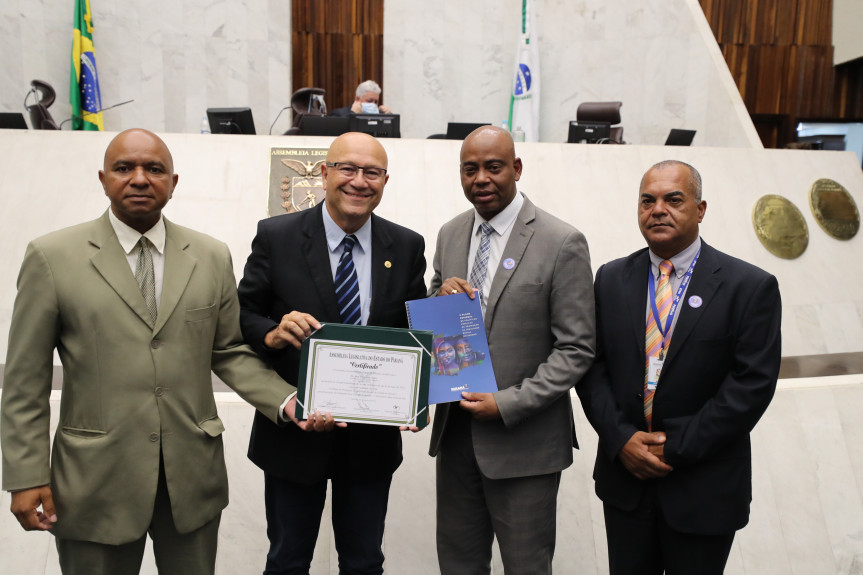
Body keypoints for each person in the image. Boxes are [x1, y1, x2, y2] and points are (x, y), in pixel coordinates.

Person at [0, 129, 300, 575]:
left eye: (154, 169)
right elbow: (25, 379)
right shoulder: (52, 256)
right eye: (124, 168)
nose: (139, 179)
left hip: (190, 479)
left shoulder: (210, 255)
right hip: (94, 480)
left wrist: (287, 399)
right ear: (103, 179)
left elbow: (230, 350)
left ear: (173, 182)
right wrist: (26, 476)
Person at [576, 160, 782, 575]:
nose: (658, 210)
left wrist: (674, 447)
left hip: (703, 488)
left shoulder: (749, 287)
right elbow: (591, 368)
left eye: (674, 199)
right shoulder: (611, 278)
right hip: (625, 483)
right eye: (647, 201)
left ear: (700, 209)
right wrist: (622, 440)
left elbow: (750, 387)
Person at [237, 131, 426, 575]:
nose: (359, 181)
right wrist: (273, 333)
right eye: (348, 168)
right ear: (324, 174)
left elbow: (413, 332)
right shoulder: (276, 236)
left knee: (364, 563)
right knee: (286, 561)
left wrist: (421, 394)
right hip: (293, 433)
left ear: (384, 181)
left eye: (372, 172)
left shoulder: (406, 246)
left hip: (371, 440)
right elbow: (243, 315)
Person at [427, 126, 596, 574]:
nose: (480, 178)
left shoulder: (562, 242)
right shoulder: (449, 234)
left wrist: (506, 403)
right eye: (470, 169)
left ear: (516, 169)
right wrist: (439, 297)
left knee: (526, 567)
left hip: (525, 444)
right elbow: (437, 326)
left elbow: (576, 349)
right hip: (457, 438)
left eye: (493, 167)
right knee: (458, 565)